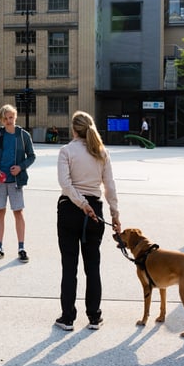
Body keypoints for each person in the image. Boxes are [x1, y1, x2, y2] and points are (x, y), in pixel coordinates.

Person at [55, 111, 121, 331]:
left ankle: (67, 317)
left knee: (69, 266)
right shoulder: (102, 152)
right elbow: (109, 186)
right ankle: (94, 316)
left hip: (70, 210)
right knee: (93, 266)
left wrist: (81, 203)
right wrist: (115, 214)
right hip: (95, 211)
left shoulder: (66, 151)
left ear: (73, 129)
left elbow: (66, 184)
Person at [0, 104, 36, 262]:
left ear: (15, 117)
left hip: (16, 181)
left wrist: (21, 167)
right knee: (0, 212)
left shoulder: (23, 135)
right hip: (0, 181)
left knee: (18, 212)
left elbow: (32, 156)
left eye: (11, 117)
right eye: (5, 118)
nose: (9, 121)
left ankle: (21, 248)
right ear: (1, 120)